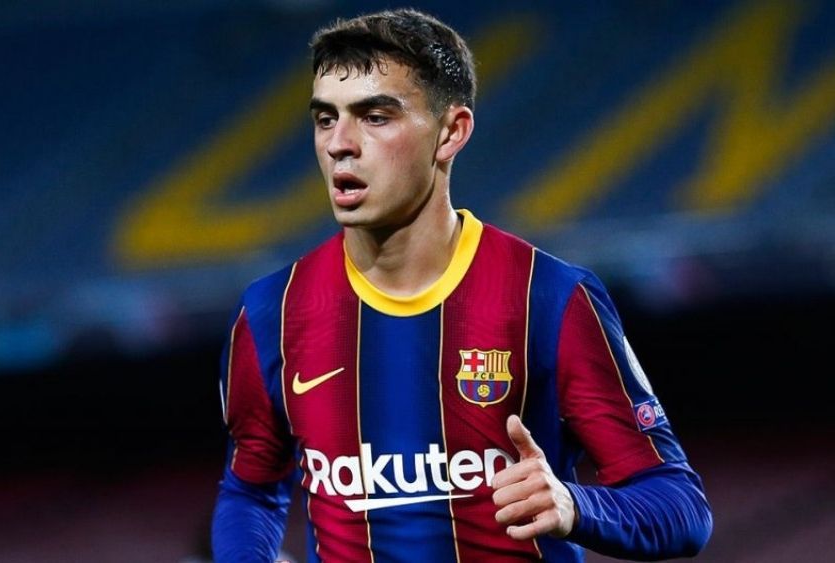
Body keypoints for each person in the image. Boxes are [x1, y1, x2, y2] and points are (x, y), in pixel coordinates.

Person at [211, 8, 712, 562]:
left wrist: (575, 505)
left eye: (375, 116)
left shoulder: (547, 297)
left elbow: (680, 507)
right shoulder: (271, 313)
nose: (339, 144)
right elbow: (251, 490)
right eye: (326, 118)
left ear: (451, 132)